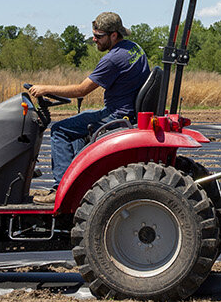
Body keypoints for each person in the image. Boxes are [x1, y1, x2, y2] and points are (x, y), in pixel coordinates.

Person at [27, 11, 150, 181]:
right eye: (93, 35)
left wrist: (44, 89)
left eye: (98, 36)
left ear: (114, 35)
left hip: (117, 115)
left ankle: (60, 186)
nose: (94, 39)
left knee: (59, 130)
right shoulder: (134, 48)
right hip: (128, 112)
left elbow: (81, 90)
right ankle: (79, 177)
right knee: (80, 122)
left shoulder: (113, 59)